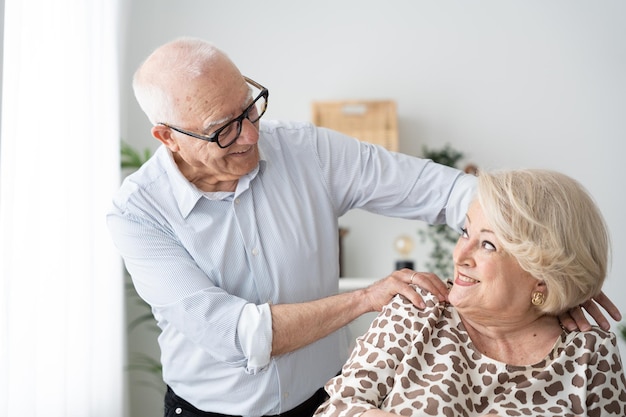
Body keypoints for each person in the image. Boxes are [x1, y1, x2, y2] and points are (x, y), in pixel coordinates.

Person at [107, 37, 619, 417]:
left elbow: (448, 192)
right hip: (208, 411)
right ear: (167, 137)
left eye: (250, 106)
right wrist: (364, 299)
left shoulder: (307, 151)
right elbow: (235, 334)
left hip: (316, 399)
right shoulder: (138, 213)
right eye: (224, 128)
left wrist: (551, 265)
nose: (250, 133)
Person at [314, 169, 626, 417]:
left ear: (541, 278)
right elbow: (336, 409)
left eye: (488, 244)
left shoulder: (590, 353)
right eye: (466, 232)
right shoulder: (416, 311)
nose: (460, 254)